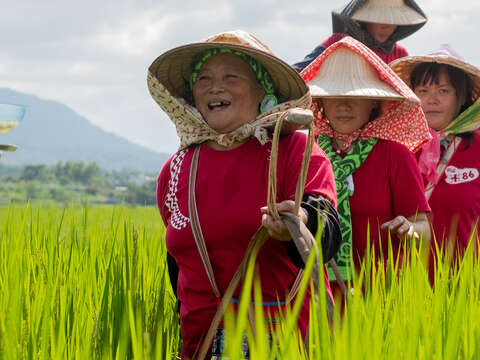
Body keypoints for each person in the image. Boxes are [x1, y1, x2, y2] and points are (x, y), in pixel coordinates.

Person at [148, 30, 342, 359]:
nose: (215, 87)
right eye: (204, 79)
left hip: (285, 341)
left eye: (231, 77)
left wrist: (298, 221)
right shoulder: (178, 167)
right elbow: (179, 261)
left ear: (261, 89)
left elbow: (326, 228)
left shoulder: (294, 150)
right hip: (200, 345)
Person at [300, 36, 431, 288]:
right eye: (334, 96)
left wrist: (411, 230)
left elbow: (422, 226)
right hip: (319, 295)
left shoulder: (394, 155)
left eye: (356, 96)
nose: (344, 106)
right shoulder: (307, 153)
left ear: (373, 102)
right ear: (320, 104)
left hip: (382, 296)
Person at [390, 45, 480, 277]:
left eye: (443, 91)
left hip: (468, 282)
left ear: (462, 98)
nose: (432, 100)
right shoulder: (396, 149)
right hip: (408, 283)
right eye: (423, 90)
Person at [293, 0, 427, 71]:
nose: (386, 26)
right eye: (379, 19)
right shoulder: (339, 42)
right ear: (364, 18)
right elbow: (300, 69)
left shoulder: (399, 54)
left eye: (394, 21)